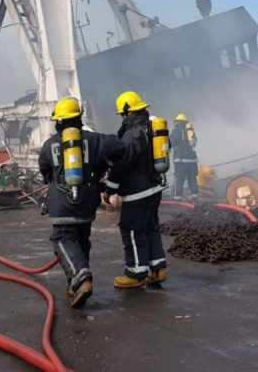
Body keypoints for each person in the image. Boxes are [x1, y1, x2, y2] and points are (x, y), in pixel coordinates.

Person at [38, 96, 125, 309]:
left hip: (61, 201)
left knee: (62, 238)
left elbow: (45, 171)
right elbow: (119, 147)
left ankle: (80, 276)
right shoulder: (96, 140)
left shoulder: (50, 145)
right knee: (81, 238)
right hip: (88, 199)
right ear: (79, 117)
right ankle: (75, 284)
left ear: (59, 122)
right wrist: (102, 168)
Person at [104, 90, 168, 288]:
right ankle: (157, 269)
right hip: (155, 187)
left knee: (131, 229)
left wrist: (109, 188)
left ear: (127, 113)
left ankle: (136, 273)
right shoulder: (152, 129)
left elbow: (123, 165)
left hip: (137, 191)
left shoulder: (132, 134)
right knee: (150, 227)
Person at [170, 113, 199, 201]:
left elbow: (170, 142)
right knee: (192, 178)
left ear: (177, 122)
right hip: (192, 160)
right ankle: (195, 196)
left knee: (179, 178)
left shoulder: (176, 130)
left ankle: (177, 197)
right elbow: (194, 142)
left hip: (181, 160)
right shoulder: (190, 130)